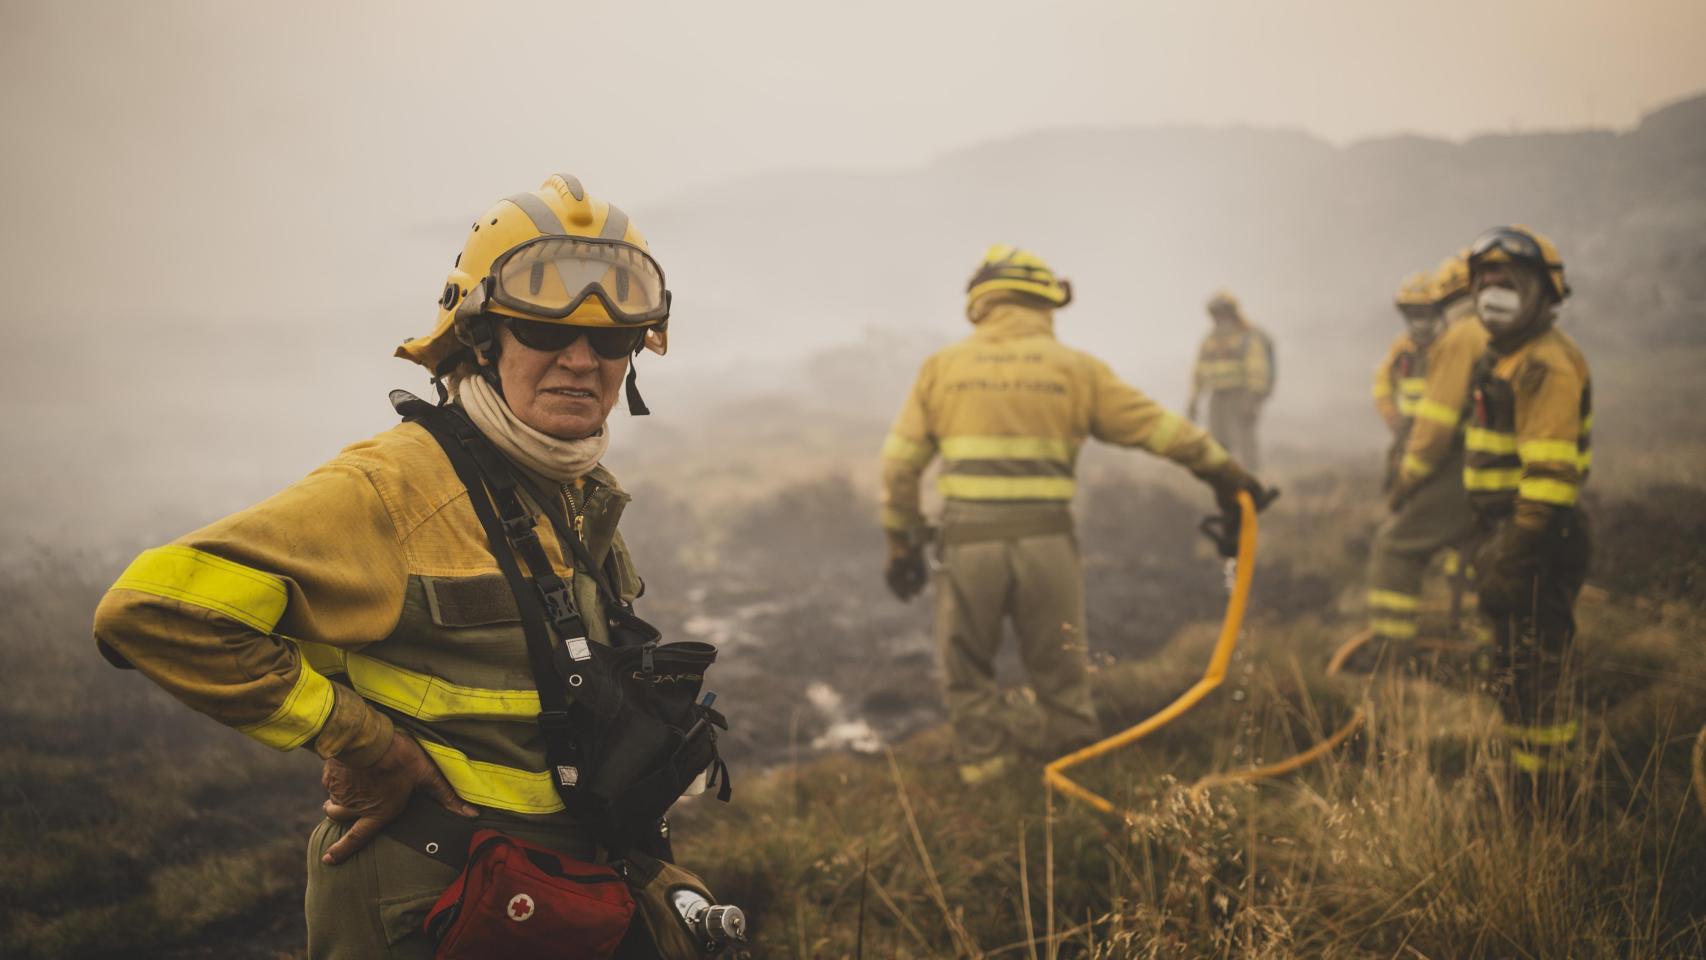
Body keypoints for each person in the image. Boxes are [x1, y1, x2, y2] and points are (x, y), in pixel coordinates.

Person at [93, 174, 708, 957]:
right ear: (481, 339)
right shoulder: (395, 487)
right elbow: (148, 610)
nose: (582, 360)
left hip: (555, 890)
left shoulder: (569, 490)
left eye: (611, 339)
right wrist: (361, 742)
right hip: (434, 903)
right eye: (545, 331)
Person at [879, 246, 1267, 785]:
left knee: (967, 668)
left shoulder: (942, 369)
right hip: (1048, 546)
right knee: (1061, 669)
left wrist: (901, 543)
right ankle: (1077, 777)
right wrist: (1227, 475)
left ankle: (987, 782)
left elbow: (899, 467)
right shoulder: (1076, 370)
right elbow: (1161, 430)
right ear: (1045, 301)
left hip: (969, 547)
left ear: (982, 301)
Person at [1458, 225, 1592, 798]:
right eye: (1484, 279)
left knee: (1537, 674)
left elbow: (1550, 478)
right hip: (1510, 533)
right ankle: (1527, 780)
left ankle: (1550, 798)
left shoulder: (1544, 365)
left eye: (1507, 280)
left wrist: (1513, 553)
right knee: (1513, 671)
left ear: (1542, 290)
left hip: (1536, 538)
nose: (1492, 291)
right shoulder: (1509, 357)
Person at [1344, 256, 1484, 673]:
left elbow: (1437, 428)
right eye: (1413, 313)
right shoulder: (1407, 351)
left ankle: (1393, 655)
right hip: (1439, 450)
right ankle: (1475, 639)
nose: (1421, 320)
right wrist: (1393, 419)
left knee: (1395, 546)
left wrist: (1408, 478)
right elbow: (1382, 383)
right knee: (1468, 550)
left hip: (1446, 458)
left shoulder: (1456, 342)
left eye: (1428, 311)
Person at [1187, 290, 1275, 471]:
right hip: (1217, 396)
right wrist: (1194, 400)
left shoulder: (1247, 337)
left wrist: (1252, 399)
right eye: (1215, 314)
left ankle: (1252, 475)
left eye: (1222, 313)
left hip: (1241, 394)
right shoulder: (1210, 340)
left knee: (1244, 437)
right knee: (1218, 438)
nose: (1218, 318)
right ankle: (1224, 476)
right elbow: (1199, 372)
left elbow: (1257, 369)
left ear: (1231, 313)